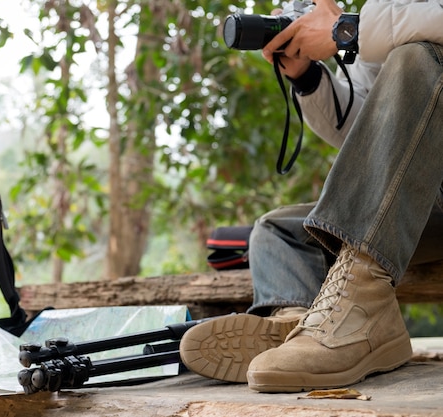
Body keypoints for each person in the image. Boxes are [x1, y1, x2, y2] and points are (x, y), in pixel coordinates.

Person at [178, 0, 443, 392]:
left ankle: (358, 315)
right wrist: (307, 77)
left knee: (417, 56)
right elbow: (375, 133)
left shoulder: (373, 21)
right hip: (424, 199)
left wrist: (346, 31)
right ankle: (297, 318)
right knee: (277, 230)